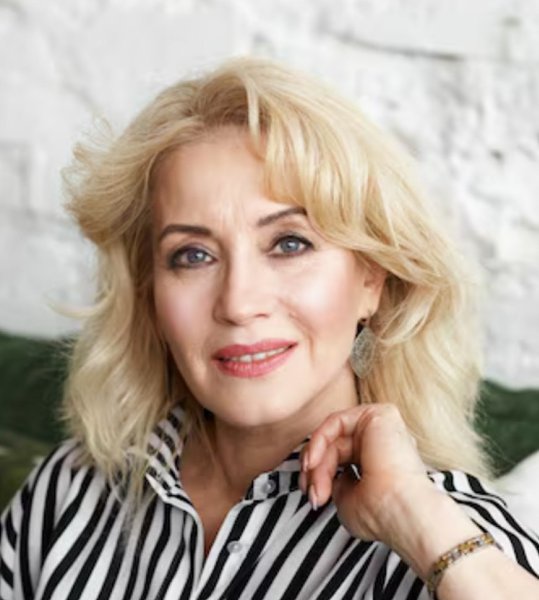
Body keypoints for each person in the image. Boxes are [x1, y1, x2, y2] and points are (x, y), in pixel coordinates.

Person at [1, 56, 538, 600]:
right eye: (192, 255)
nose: (238, 303)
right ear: (151, 295)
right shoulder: (70, 489)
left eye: (289, 244)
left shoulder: (457, 545)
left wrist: (412, 514)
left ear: (372, 279)